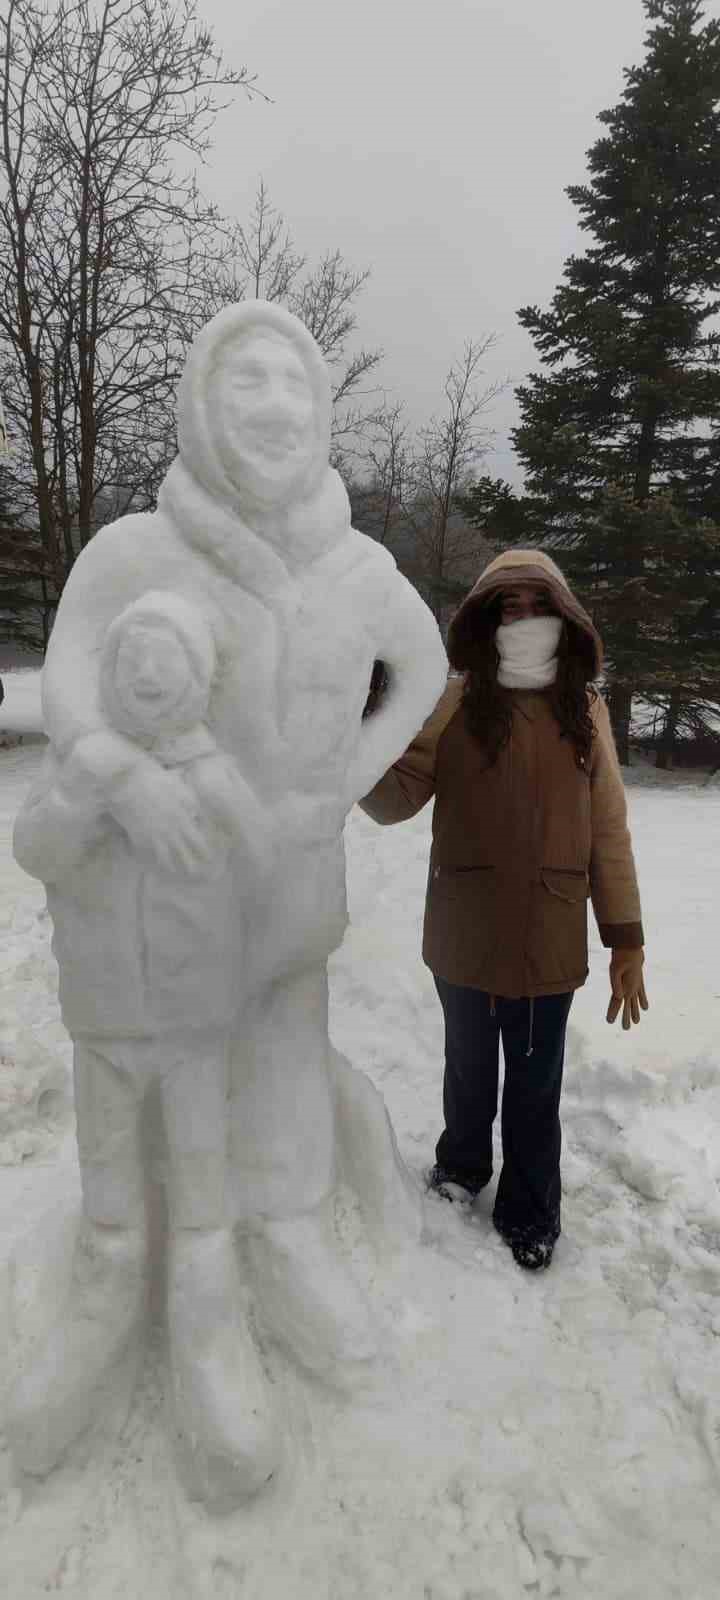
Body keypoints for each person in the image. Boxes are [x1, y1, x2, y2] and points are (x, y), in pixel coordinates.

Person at [10, 590, 279, 1497]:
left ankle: (210, 1347)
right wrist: (100, 785)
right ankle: (94, 1325)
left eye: (169, 659)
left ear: (199, 679)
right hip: (107, 1030)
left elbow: (269, 866)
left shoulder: (214, 770)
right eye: (132, 659)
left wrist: (209, 789)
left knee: (203, 1200)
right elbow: (36, 848)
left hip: (196, 1034)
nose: (149, 673)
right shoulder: (82, 771)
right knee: (111, 1201)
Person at [360, 549, 648, 1272]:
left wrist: (626, 939)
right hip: (462, 927)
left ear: (563, 614)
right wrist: (361, 727)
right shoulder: (455, 701)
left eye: (535, 603)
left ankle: (530, 1208)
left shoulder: (584, 709)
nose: (521, 617)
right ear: (486, 620)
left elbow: (608, 827)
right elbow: (395, 798)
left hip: (549, 930)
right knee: (467, 1067)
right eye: (506, 606)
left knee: (534, 1081)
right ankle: (460, 1169)